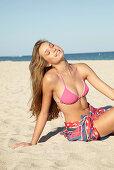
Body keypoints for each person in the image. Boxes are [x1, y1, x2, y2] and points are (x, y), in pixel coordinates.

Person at [13, 40, 114, 149]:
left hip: (95, 116)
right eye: (48, 52)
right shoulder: (50, 79)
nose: (53, 49)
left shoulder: (82, 68)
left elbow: (110, 93)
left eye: (52, 46)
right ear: (47, 63)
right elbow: (44, 113)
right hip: (80, 128)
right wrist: (33, 142)